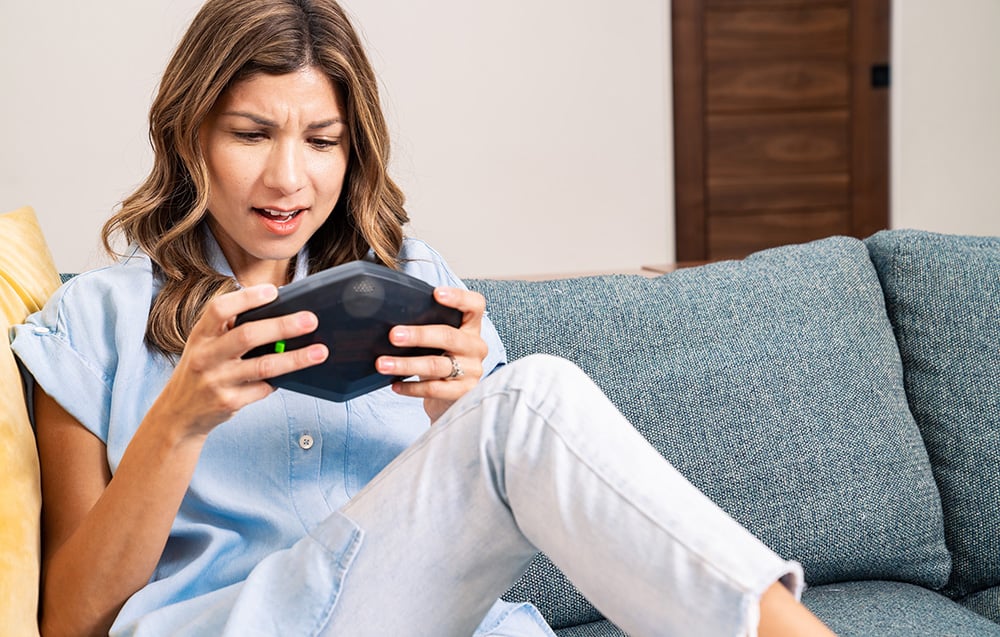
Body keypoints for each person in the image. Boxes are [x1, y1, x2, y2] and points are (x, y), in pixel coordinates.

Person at [11, 1, 837, 635]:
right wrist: (179, 421)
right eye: (252, 133)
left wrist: (459, 411)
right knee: (532, 397)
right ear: (192, 132)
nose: (288, 177)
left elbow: (515, 517)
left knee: (515, 404)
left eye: (323, 139)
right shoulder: (95, 319)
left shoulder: (411, 282)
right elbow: (72, 620)